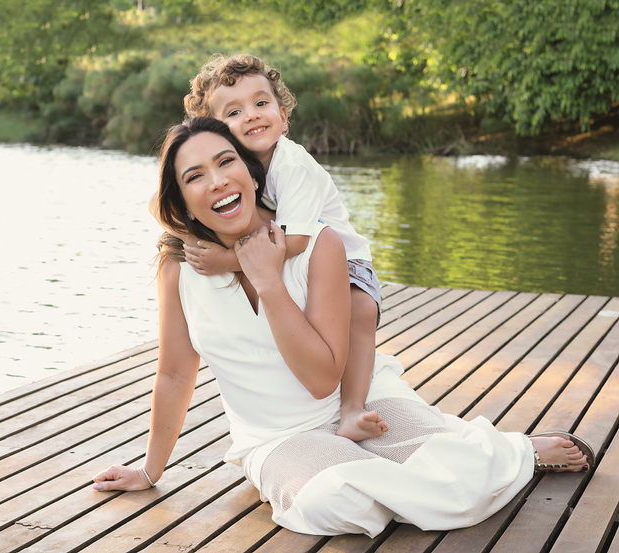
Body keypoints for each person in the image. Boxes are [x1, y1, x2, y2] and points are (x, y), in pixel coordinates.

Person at [94, 117, 594, 537]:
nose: (218, 180)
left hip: (359, 399)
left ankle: (511, 451)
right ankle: (426, 469)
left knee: (454, 475)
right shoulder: (179, 268)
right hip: (276, 438)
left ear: (250, 172)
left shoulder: (318, 244)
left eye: (226, 162)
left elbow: (321, 378)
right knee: (334, 501)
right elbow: (176, 375)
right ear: (180, 201)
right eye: (194, 176)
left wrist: (265, 278)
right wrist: (149, 470)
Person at [151, 53, 386, 442]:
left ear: (283, 114)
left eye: (262, 104)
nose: (253, 116)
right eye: (235, 112)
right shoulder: (241, 166)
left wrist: (228, 259)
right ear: (217, 129)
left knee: (360, 311)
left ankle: (352, 407)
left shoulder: (291, 165)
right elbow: (165, 207)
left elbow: (290, 241)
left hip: (345, 257)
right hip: (273, 430)